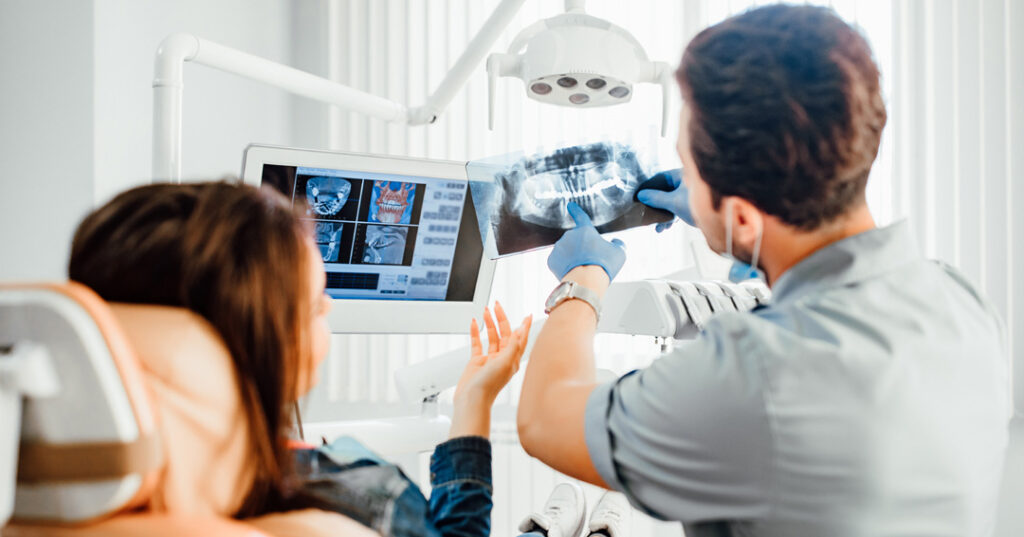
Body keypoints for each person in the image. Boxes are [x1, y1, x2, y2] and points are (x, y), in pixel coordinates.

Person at [516, 5, 1012, 537]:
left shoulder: (755, 374)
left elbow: (546, 419)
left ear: (745, 216)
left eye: (692, 164)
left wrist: (582, 281)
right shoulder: (961, 301)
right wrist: (735, 229)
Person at [67, 181, 628, 537]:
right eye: (314, 305)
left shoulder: (65, 498)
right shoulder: (339, 511)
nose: (329, 307)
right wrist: (585, 285)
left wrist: (474, 396)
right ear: (255, 344)